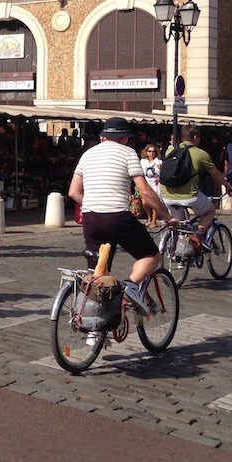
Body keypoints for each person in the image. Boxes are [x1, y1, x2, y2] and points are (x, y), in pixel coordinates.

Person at [68, 116, 173, 314]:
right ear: (125, 139)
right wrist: (167, 217)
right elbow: (146, 192)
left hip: (90, 217)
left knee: (98, 273)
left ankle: (94, 332)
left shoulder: (87, 155)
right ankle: (130, 287)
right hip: (116, 217)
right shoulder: (128, 153)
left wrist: (94, 202)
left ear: (103, 137)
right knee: (150, 255)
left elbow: (73, 192)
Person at [160, 124, 229, 237]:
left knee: (179, 224)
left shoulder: (171, 150)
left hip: (167, 195)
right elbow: (216, 174)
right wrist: (227, 186)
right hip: (189, 196)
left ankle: (176, 246)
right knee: (210, 210)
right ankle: (198, 235)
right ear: (196, 137)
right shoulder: (201, 154)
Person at [139, 144, 163, 227]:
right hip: (146, 184)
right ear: (146, 152)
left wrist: (160, 169)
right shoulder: (142, 162)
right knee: (145, 203)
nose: (152, 153)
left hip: (155, 184)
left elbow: (162, 174)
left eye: (153, 151)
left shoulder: (158, 162)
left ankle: (154, 220)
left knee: (154, 203)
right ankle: (149, 217)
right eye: (149, 151)